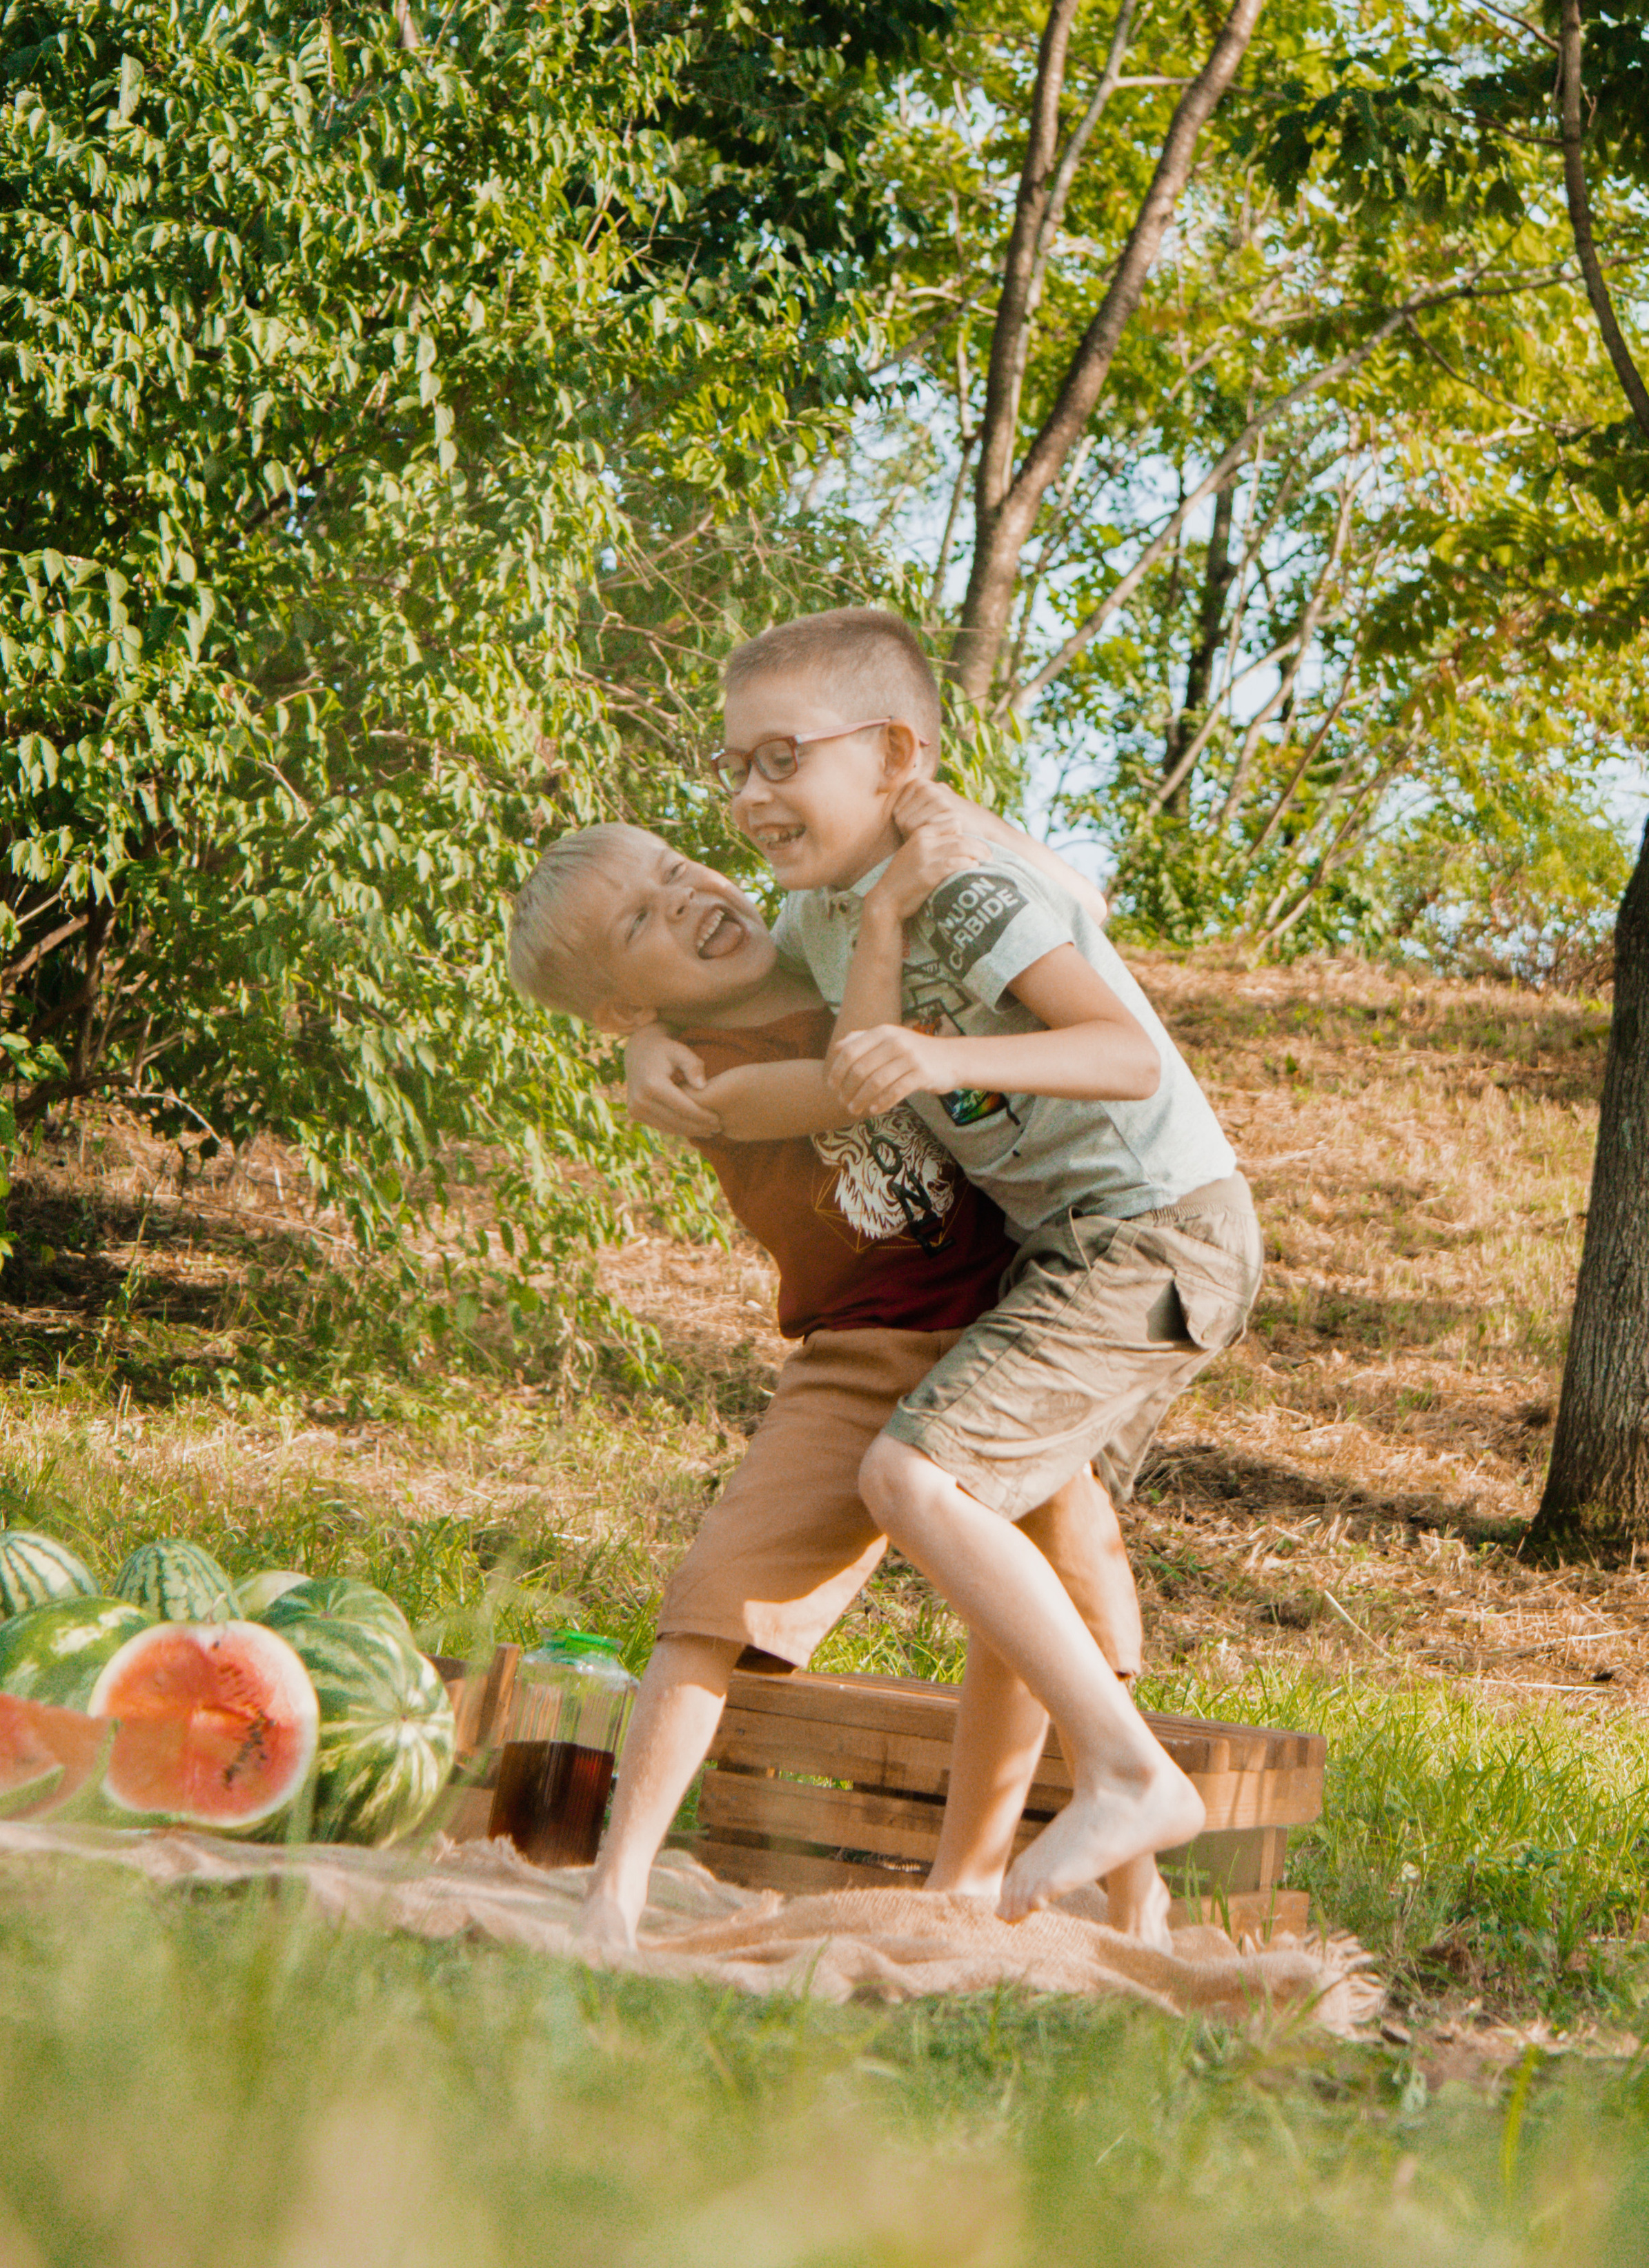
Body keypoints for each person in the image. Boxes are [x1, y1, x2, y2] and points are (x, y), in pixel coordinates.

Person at [625, 605, 1263, 1925]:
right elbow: (820, 1049)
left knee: (913, 1474)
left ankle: (1131, 1773)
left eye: (782, 757)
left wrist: (951, 1055)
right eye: (732, 763)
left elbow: (1126, 1054)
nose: (748, 794)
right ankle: (1005, 1894)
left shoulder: (966, 891)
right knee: (1018, 1551)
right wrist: (640, 1031)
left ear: (896, 753)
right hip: (1071, 1253)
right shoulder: (826, 913)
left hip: (1153, 1231)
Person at [505, 819, 1164, 1951]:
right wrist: (648, 1043)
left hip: (1011, 1320)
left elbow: (1055, 897)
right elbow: (853, 1084)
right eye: (641, 921)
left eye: (676, 870)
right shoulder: (695, 1076)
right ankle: (616, 1886)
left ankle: (1104, 1891)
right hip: (857, 1346)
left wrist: (914, 871)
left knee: (1058, 1595)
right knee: (716, 1590)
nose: (687, 901)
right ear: (626, 1007)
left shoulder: (823, 930)